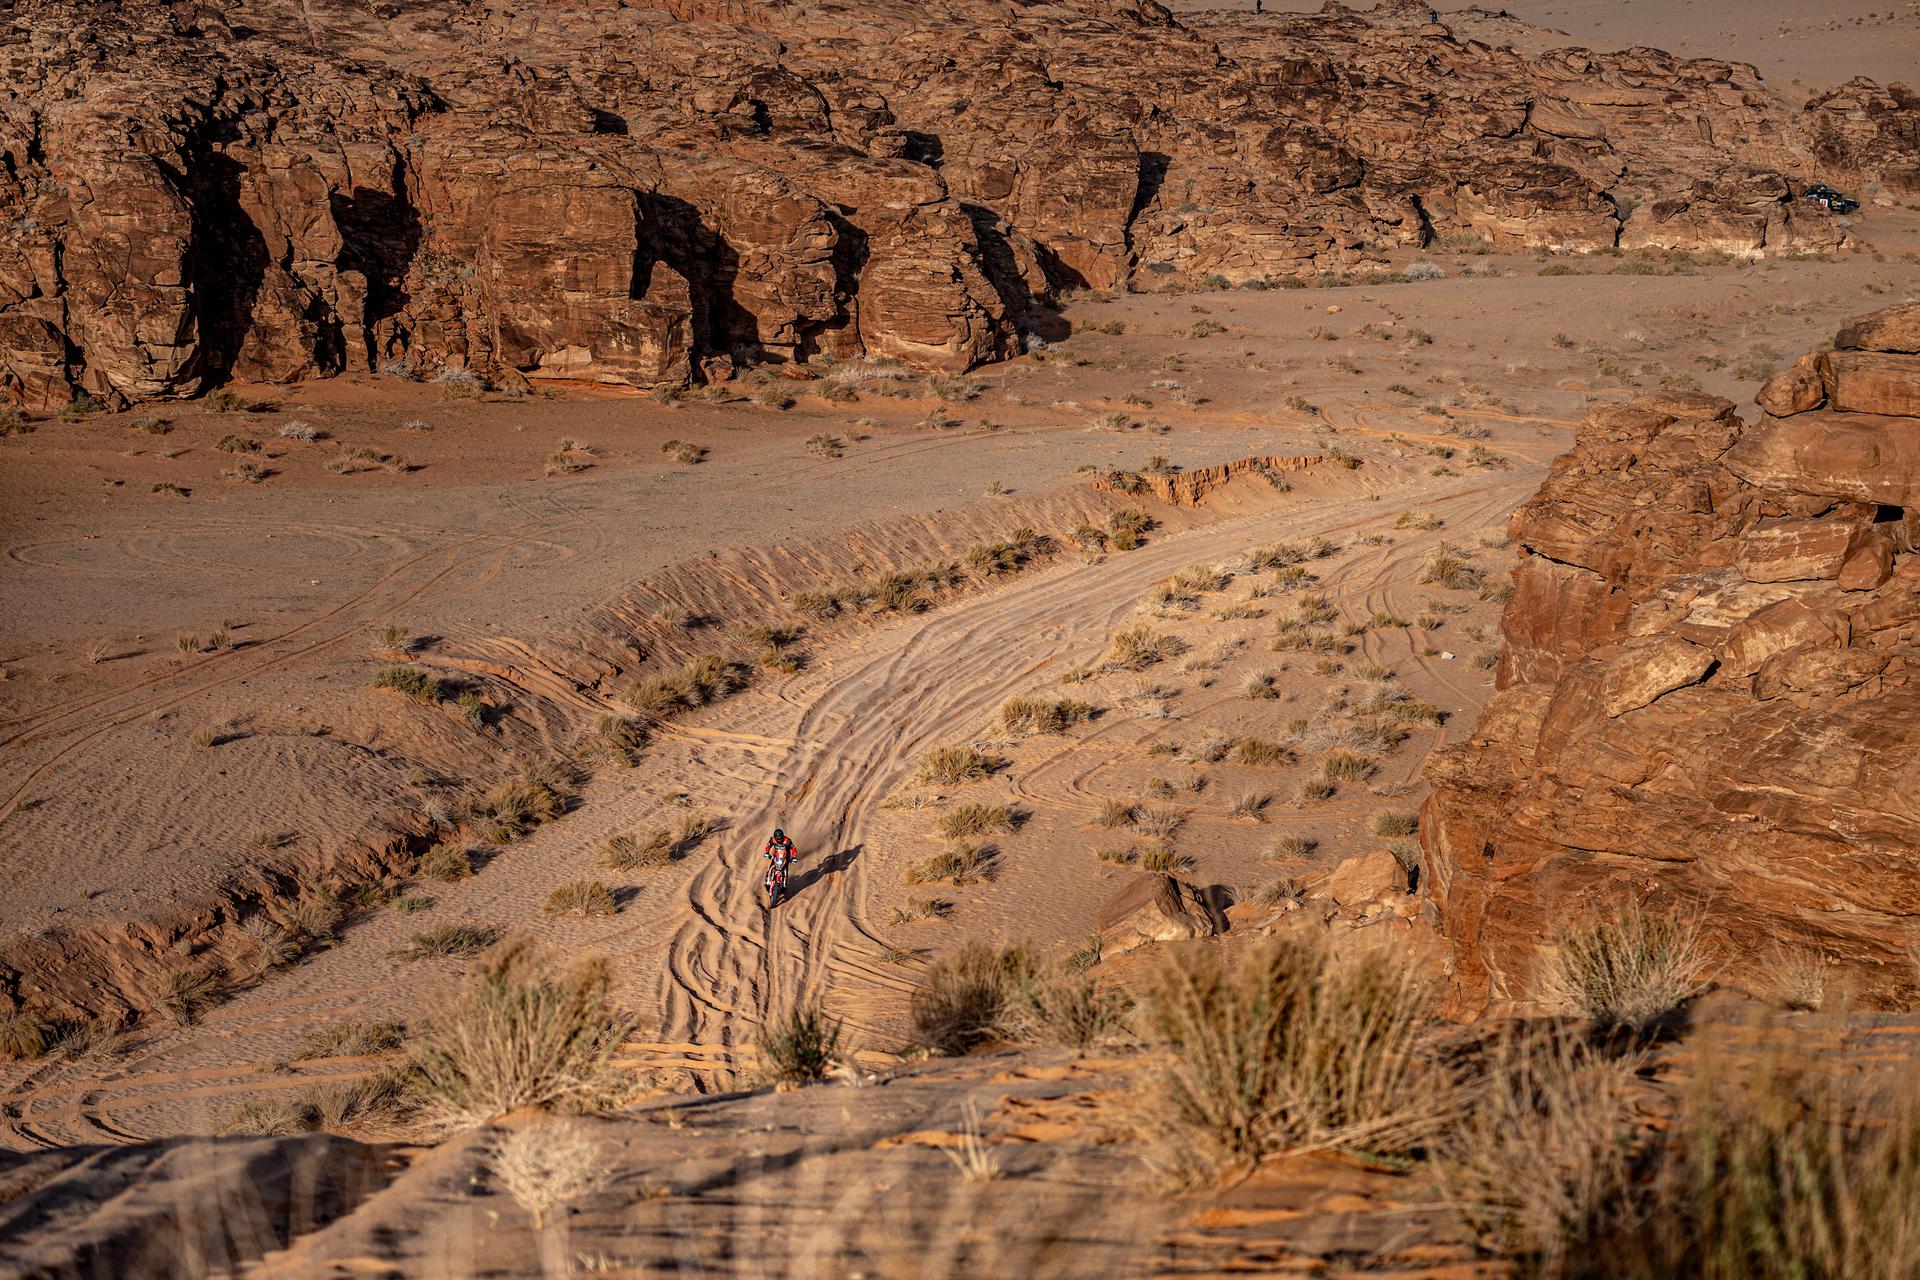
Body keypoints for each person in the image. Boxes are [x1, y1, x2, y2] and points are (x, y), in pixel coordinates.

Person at [763, 828, 796, 895]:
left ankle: (784, 885)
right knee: (771, 866)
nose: (779, 840)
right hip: (776, 856)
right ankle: (768, 880)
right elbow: (768, 845)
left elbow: (793, 848)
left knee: (785, 869)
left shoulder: (787, 841)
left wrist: (793, 857)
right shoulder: (772, 840)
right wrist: (766, 852)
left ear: (783, 836)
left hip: (785, 856)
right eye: (777, 839)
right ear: (775, 837)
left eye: (780, 838)